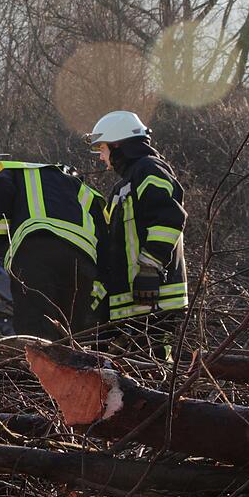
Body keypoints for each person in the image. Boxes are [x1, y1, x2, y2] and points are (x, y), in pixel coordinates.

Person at [86, 110, 187, 358]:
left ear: (118, 144)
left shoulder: (149, 169)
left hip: (154, 297)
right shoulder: (124, 185)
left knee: (154, 369)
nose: (100, 156)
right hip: (134, 301)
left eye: (102, 148)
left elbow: (169, 218)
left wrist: (149, 268)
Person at [0, 161, 107, 339]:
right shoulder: (82, 188)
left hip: (36, 252)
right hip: (82, 260)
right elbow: (104, 237)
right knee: (73, 332)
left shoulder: (15, 173)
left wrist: (2, 247)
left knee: (36, 331)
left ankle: (37, 366)